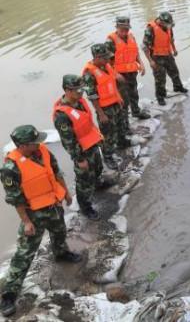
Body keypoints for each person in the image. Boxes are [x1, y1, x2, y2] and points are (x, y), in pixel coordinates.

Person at [0, 125, 82, 317]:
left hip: (53, 205)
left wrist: (67, 193)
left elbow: (56, 172)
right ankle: (9, 295)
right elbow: (15, 199)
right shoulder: (10, 168)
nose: (40, 144)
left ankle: (61, 253)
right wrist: (26, 222)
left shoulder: (42, 151)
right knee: (24, 254)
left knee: (60, 232)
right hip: (33, 214)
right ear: (22, 145)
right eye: (35, 142)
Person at [53, 75, 110, 220]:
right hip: (81, 151)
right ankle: (85, 207)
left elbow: (87, 123)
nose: (81, 93)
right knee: (84, 179)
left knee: (97, 168)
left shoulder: (80, 101)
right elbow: (68, 141)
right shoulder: (61, 116)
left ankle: (97, 183)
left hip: (92, 143)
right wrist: (79, 159)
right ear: (67, 90)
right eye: (77, 90)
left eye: (81, 89)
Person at [82, 44, 129, 170]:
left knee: (120, 124)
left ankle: (122, 142)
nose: (108, 60)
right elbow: (92, 96)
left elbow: (112, 83)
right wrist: (101, 113)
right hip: (104, 108)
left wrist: (119, 97)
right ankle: (107, 156)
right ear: (97, 57)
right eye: (104, 58)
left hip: (114, 102)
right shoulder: (89, 73)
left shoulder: (106, 65)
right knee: (108, 133)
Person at [106, 16, 150, 121]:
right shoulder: (110, 41)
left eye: (127, 29)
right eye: (122, 29)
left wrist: (142, 65)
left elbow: (136, 53)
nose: (125, 31)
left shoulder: (131, 37)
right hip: (120, 75)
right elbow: (106, 62)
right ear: (117, 27)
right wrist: (115, 75)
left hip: (132, 72)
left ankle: (136, 112)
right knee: (123, 99)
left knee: (134, 93)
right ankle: (124, 124)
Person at [143, 12, 188, 106]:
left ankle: (178, 87)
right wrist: (150, 61)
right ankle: (160, 97)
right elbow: (145, 47)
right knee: (160, 78)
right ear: (161, 21)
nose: (169, 26)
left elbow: (171, 39)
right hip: (156, 56)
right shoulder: (150, 28)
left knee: (174, 71)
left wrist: (174, 49)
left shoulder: (169, 26)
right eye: (167, 24)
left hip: (167, 53)